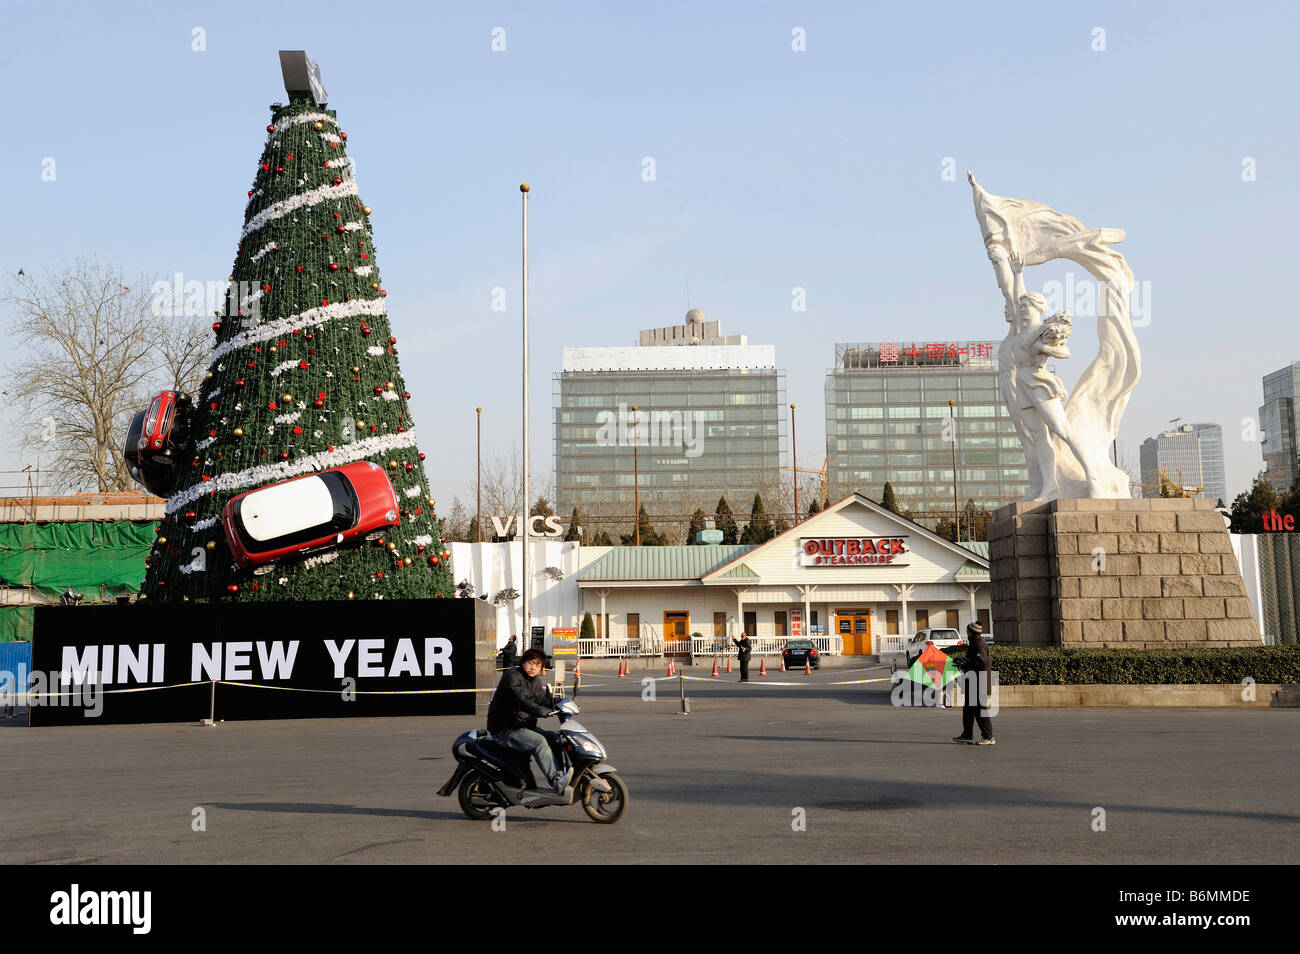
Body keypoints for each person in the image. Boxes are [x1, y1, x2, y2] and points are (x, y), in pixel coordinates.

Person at [487, 648, 572, 794]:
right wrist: (540, 711)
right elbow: (520, 699)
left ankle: (564, 775)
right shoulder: (512, 676)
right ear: (523, 662)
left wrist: (560, 702)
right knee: (539, 742)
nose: (533, 667)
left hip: (523, 726)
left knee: (555, 738)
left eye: (538, 665)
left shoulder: (535, 681)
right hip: (505, 728)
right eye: (530, 663)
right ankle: (557, 780)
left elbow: (542, 699)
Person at [953, 623, 995, 745]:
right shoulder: (975, 642)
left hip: (978, 681)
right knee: (968, 710)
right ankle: (967, 735)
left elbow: (981, 662)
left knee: (980, 710)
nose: (966, 632)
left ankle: (988, 737)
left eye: (967, 630)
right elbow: (973, 659)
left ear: (971, 632)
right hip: (972, 681)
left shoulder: (979, 643)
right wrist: (962, 661)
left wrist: (965, 664)